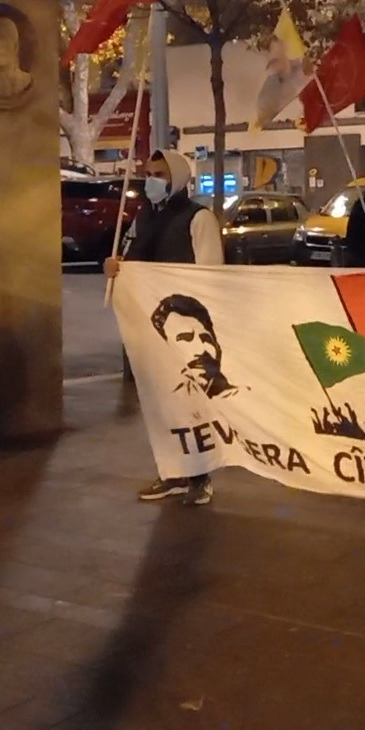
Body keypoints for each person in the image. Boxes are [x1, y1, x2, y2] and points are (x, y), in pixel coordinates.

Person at [106, 150, 224, 506]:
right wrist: (115, 267)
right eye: (148, 173)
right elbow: (130, 259)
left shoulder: (198, 218)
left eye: (159, 174)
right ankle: (172, 472)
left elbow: (210, 272)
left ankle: (200, 477)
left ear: (178, 178)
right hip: (151, 327)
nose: (151, 180)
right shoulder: (144, 217)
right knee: (160, 405)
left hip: (183, 329)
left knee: (191, 405)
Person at [151, 294, 240, 399]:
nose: (201, 348)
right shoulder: (172, 398)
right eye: (185, 338)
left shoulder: (235, 395)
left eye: (206, 338)